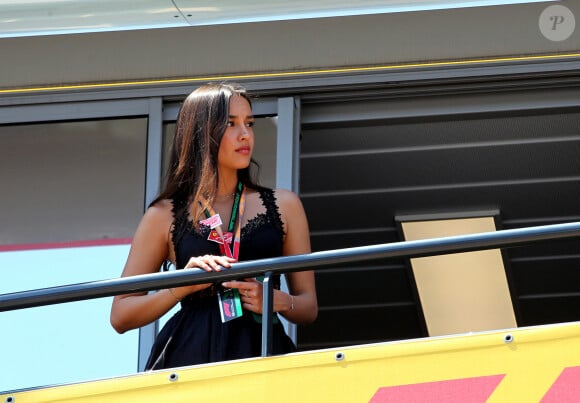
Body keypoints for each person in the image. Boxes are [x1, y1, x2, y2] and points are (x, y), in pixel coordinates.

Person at [110, 83, 318, 370]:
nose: (245, 134)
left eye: (249, 123)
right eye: (231, 124)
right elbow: (120, 315)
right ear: (201, 132)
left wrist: (276, 300)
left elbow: (309, 307)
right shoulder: (163, 215)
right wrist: (180, 286)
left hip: (264, 353)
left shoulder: (285, 205)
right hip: (189, 356)